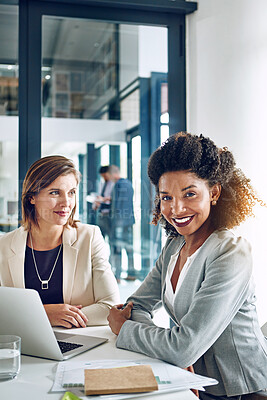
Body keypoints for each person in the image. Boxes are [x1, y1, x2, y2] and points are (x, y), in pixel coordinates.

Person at [108, 132, 267, 400]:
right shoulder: (174, 246)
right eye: (166, 197)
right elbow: (136, 306)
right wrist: (173, 351)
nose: (176, 209)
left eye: (189, 194)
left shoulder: (230, 252)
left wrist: (125, 329)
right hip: (189, 380)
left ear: (214, 192)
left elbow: (182, 347)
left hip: (239, 390)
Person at [0, 155, 120, 328]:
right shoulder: (4, 246)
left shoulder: (90, 237)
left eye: (71, 192)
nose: (66, 203)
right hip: (23, 346)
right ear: (31, 197)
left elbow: (110, 307)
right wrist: (45, 315)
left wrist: (53, 317)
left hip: (80, 344)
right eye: (55, 192)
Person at [109, 165, 135, 282]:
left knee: (117, 248)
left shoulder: (118, 185)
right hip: (128, 222)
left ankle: (117, 275)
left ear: (112, 174)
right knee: (129, 248)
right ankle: (131, 273)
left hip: (119, 222)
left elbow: (118, 206)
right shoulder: (128, 184)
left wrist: (115, 223)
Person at [93, 165, 114, 241]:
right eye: (102, 176)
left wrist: (104, 199)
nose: (104, 178)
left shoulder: (114, 184)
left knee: (111, 236)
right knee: (100, 238)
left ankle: (113, 253)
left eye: (105, 176)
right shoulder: (102, 184)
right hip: (101, 213)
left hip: (109, 214)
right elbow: (99, 196)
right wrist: (95, 204)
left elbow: (115, 199)